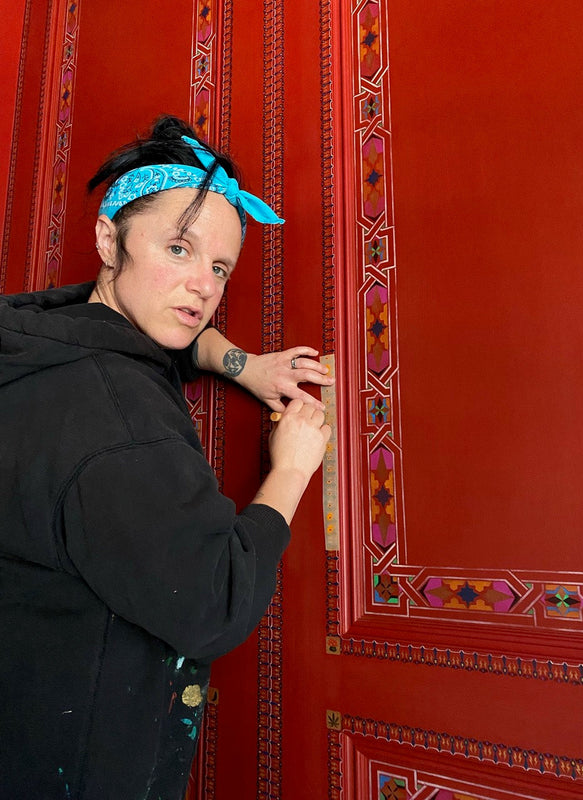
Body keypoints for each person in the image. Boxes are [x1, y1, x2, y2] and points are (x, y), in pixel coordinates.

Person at [0, 115, 332, 799]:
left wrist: (243, 365)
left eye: (219, 267)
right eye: (180, 249)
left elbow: (167, 335)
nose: (203, 286)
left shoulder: (53, 335)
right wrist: (293, 467)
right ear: (108, 239)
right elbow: (215, 602)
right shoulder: (120, 424)